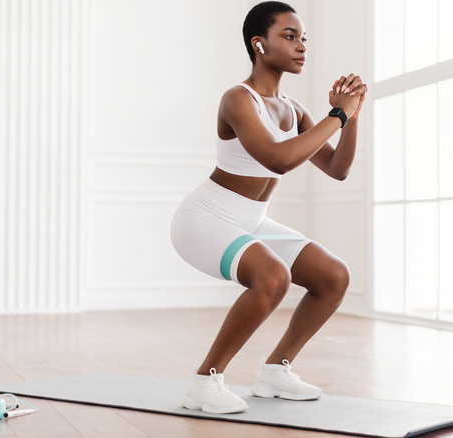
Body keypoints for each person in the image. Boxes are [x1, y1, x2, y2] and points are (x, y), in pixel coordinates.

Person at [170, 0, 366, 414]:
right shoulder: (237, 99)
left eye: (303, 39)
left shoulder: (294, 109)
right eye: (289, 36)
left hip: (251, 221)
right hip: (205, 220)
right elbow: (277, 159)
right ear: (259, 44)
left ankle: (275, 372)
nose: (301, 46)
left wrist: (351, 117)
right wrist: (337, 114)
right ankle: (204, 382)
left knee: (333, 277)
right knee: (273, 277)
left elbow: (337, 168)